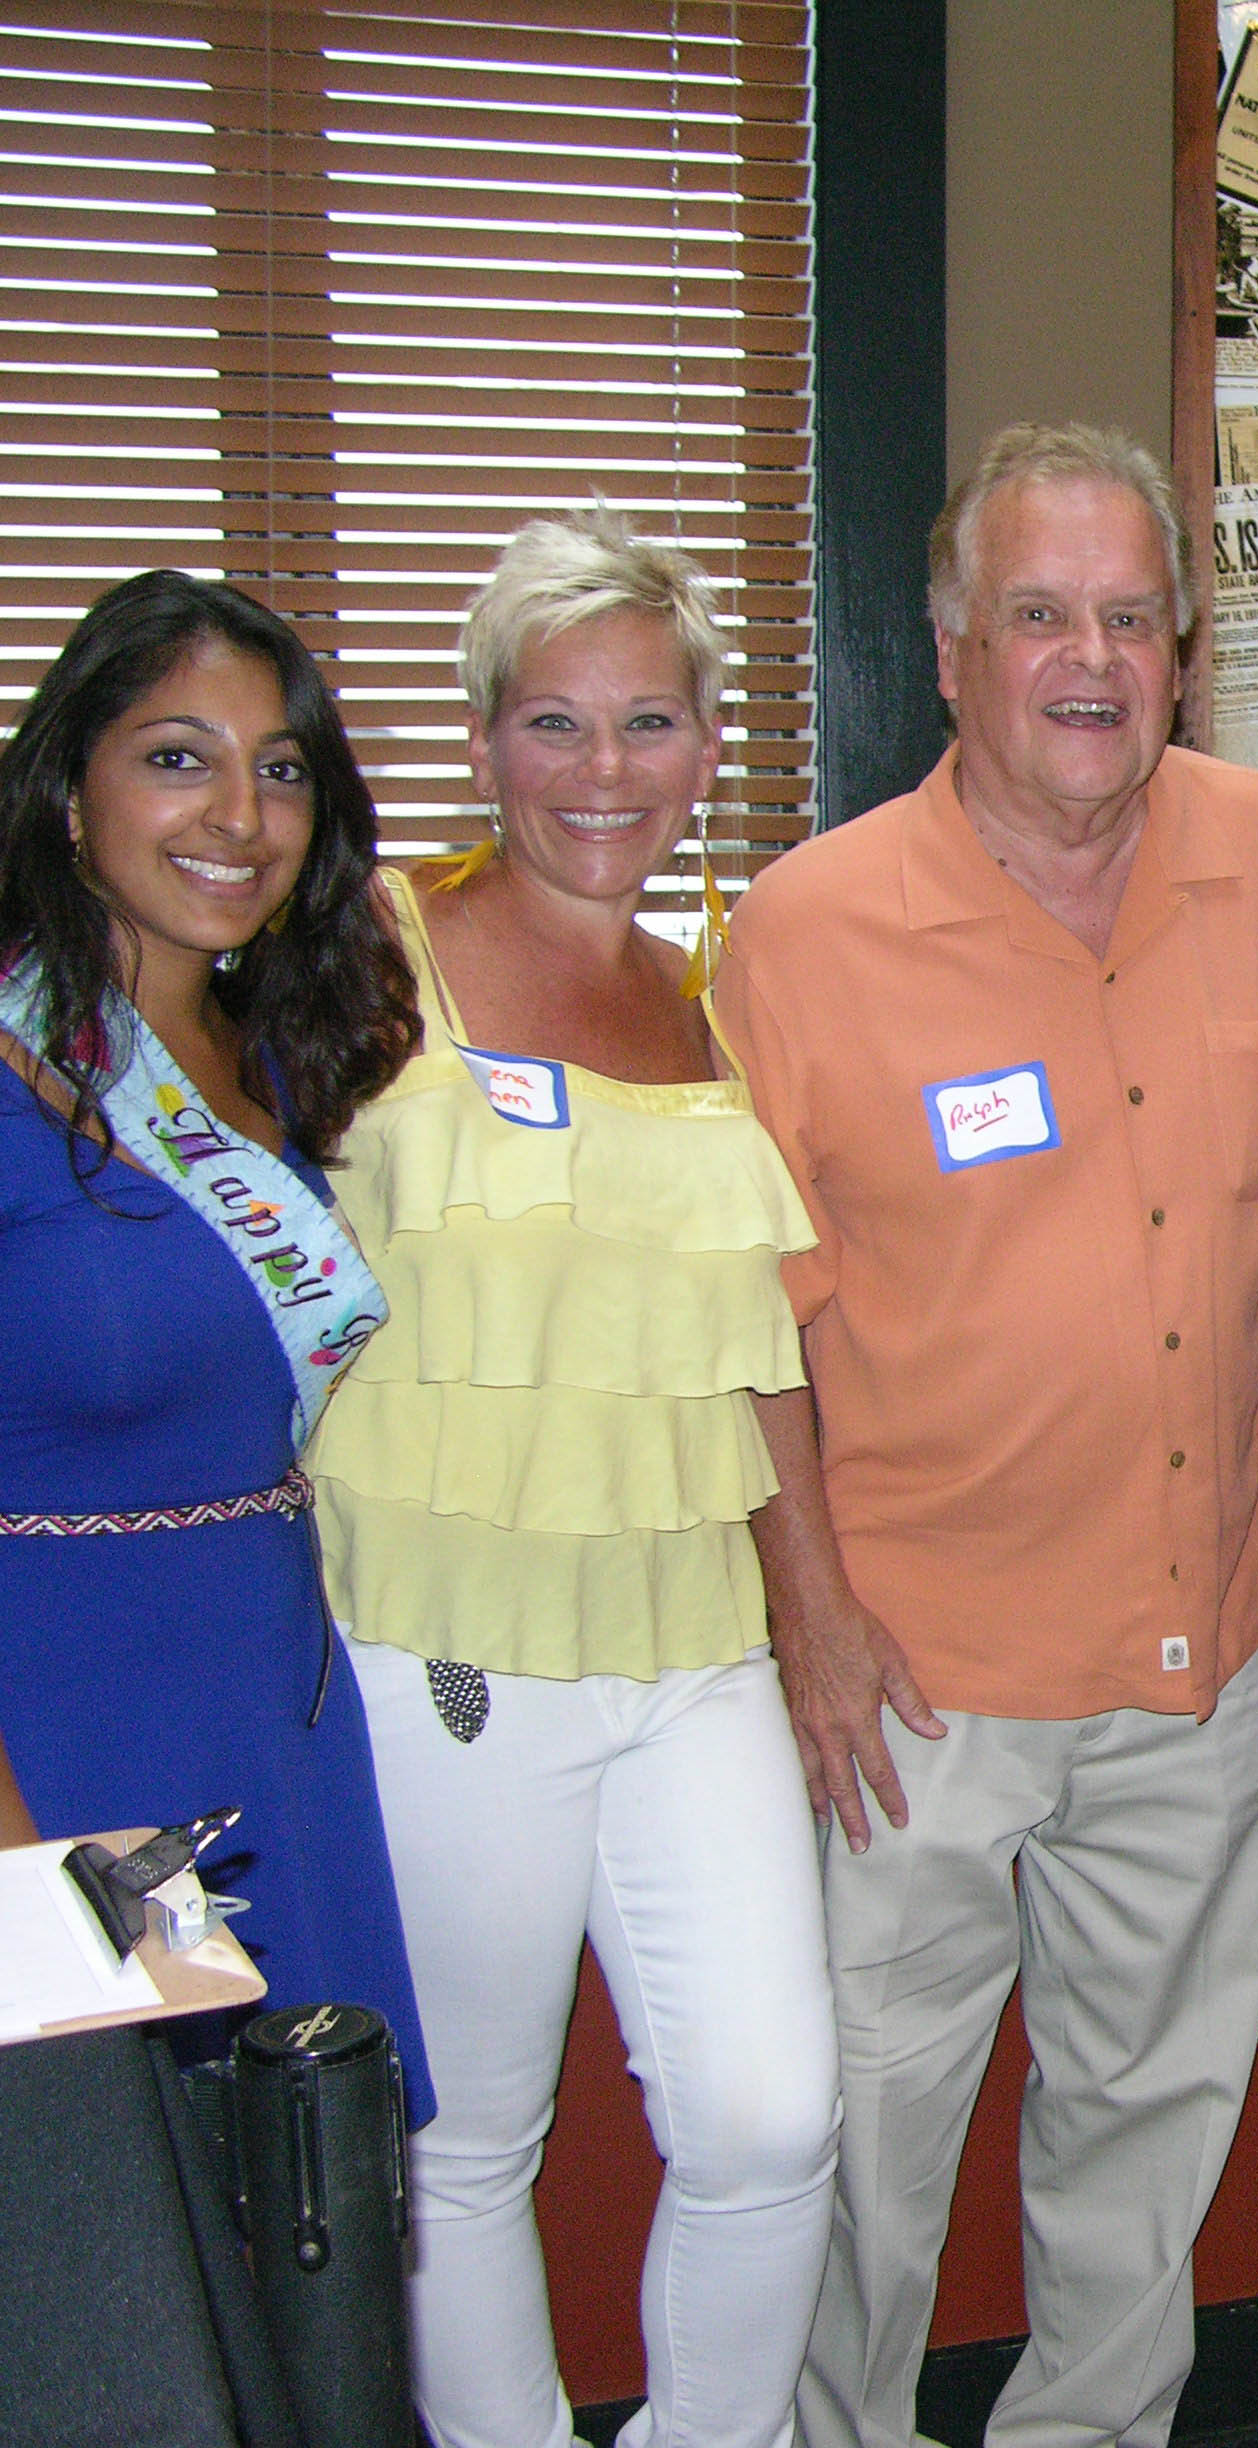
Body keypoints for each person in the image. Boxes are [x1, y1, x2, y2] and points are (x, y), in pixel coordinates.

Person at [713, 421, 1258, 2448]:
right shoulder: (804, 932)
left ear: (1183, 646)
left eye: (1130, 617)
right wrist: (808, 1613)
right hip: (921, 1682)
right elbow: (748, 1315)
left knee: (1147, 2153)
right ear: (951, 653)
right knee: (866, 2176)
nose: (1089, 660)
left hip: (1195, 1657)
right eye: (1038, 616)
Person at [302, 510, 840, 2448]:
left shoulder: (705, 994)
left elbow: (746, 1334)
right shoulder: (370, 957)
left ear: (708, 742)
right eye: (553, 725)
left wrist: (825, 1619)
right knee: (465, 2141)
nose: (601, 775)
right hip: (447, 1639)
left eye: (645, 725)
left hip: (693, 1639)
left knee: (774, 2117)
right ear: (481, 743)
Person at [0, 569, 428, 2099]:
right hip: (70, 1759)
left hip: (265, 1741)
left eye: (282, 768)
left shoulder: (275, 1076)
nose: (238, 815)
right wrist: (22, 1883)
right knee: (133, 2232)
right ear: (68, 790)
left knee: (285, 2217)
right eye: (177, 757)